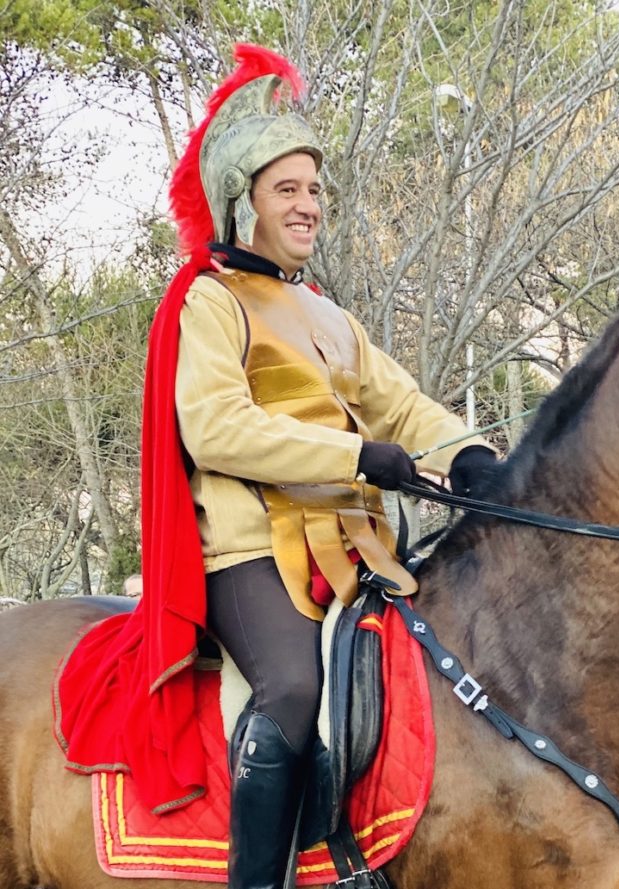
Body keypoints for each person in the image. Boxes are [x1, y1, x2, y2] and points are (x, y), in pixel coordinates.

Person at [53, 44, 497, 889]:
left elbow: (402, 404)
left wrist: (465, 452)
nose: (307, 206)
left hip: (358, 550)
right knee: (293, 688)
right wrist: (356, 454)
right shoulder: (208, 302)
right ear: (240, 200)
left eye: (314, 190)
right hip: (246, 553)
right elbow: (217, 428)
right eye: (286, 189)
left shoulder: (327, 314)